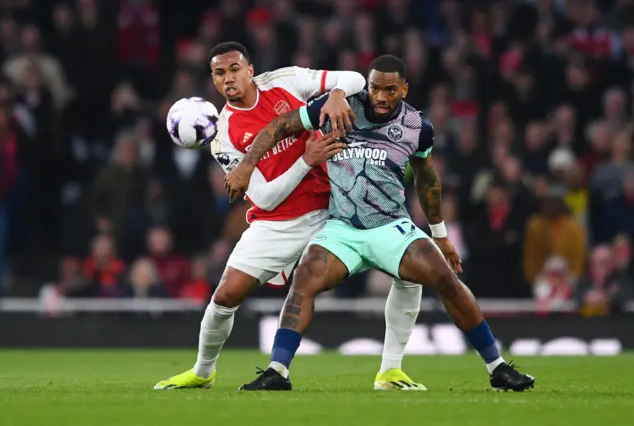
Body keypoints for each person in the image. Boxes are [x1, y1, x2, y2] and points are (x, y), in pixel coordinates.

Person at [227, 55, 535, 392]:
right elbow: (279, 126)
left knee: (445, 278)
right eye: (375, 88)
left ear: (404, 88)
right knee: (305, 277)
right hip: (342, 227)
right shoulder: (334, 109)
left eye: (391, 90)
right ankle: (277, 371)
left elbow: (427, 179)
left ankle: (497, 367)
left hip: (390, 226)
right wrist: (246, 165)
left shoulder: (418, 126)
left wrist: (441, 236)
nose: (382, 97)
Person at [155, 43, 426, 391]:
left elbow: (357, 78)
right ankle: (203, 371)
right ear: (213, 80)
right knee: (225, 296)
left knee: (408, 267)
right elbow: (266, 197)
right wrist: (306, 160)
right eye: (220, 74)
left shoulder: (286, 81)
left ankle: (390, 370)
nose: (229, 79)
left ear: (249, 70)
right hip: (277, 221)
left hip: (335, 207)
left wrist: (337, 93)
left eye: (234, 69)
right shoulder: (223, 136)